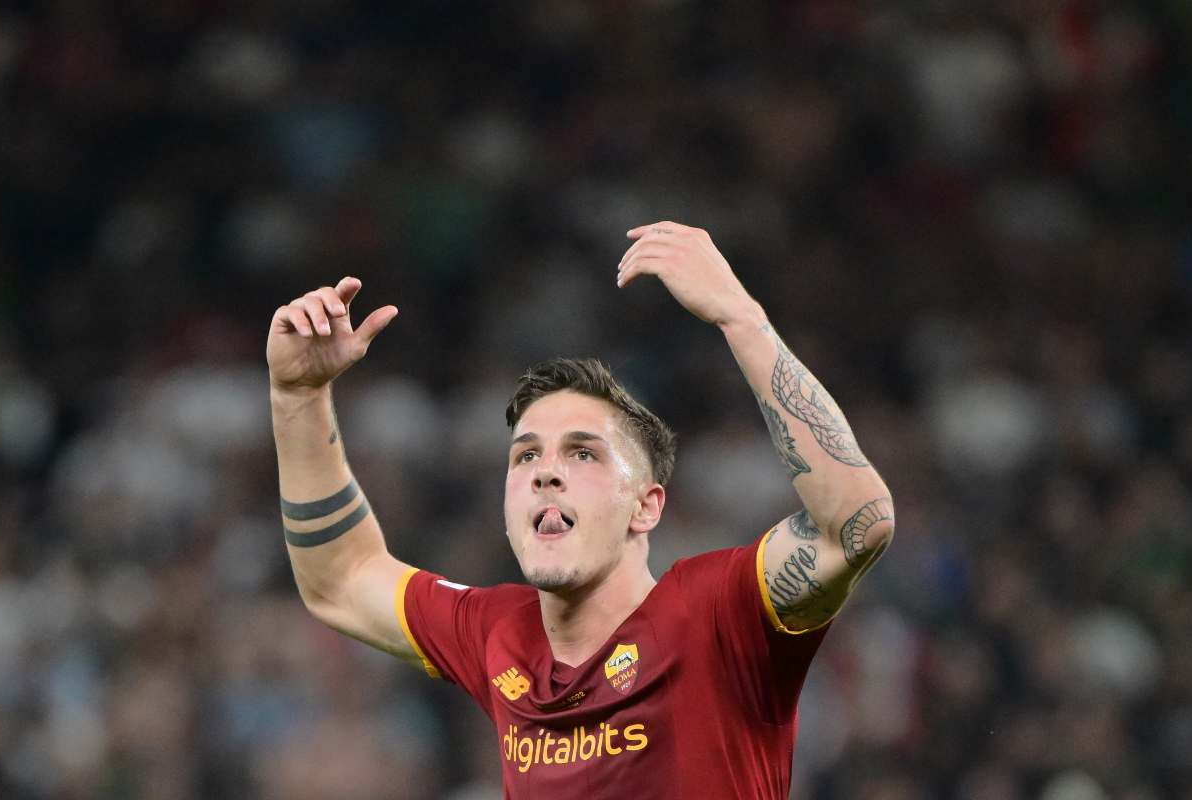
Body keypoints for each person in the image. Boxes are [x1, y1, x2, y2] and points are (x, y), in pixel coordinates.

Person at [266, 221, 894, 797]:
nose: (545, 472)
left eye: (583, 453)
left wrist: (740, 317)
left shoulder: (716, 615)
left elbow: (857, 526)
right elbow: (340, 580)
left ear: (645, 507)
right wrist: (298, 397)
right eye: (525, 455)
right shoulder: (498, 634)